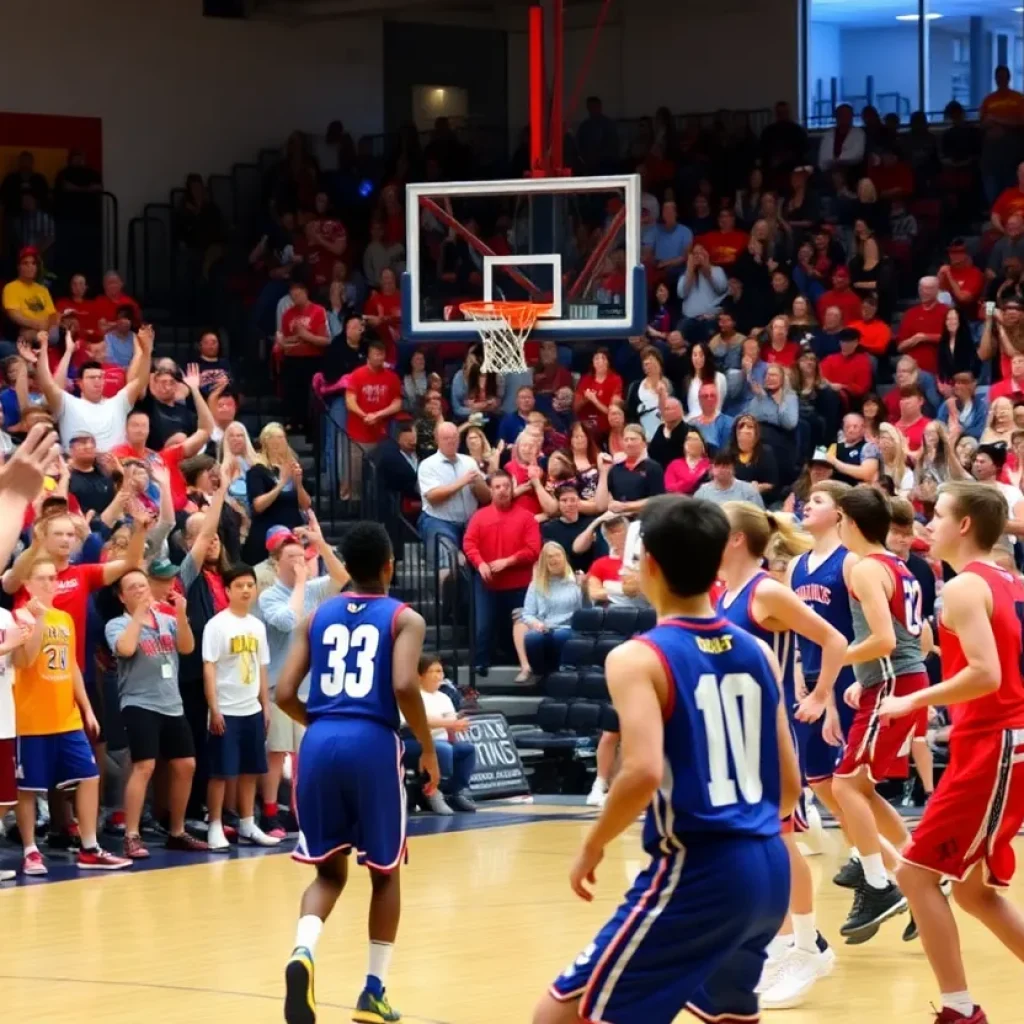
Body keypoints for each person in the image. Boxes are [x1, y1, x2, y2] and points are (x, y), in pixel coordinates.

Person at [534, 495, 800, 1024]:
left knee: (558, 1015)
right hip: (769, 868)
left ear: (648, 562)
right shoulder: (758, 651)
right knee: (727, 1017)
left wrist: (593, 842)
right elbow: (789, 786)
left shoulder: (638, 656)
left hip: (698, 870)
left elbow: (643, 770)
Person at [275, 521, 438, 1024]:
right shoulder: (404, 618)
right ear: (389, 565)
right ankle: (373, 991)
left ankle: (302, 952)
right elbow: (406, 685)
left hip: (319, 742)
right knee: (384, 874)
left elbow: (282, 694)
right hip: (372, 742)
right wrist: (428, 748)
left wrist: (322, 724)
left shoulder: (317, 616)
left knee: (329, 870)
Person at [881, 482, 1024, 1024]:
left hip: (995, 742)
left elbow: (986, 674)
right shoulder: (1011, 581)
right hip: (998, 741)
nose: (928, 524)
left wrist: (914, 698)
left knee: (915, 875)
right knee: (973, 894)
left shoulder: (965, 587)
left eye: (937, 515)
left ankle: (960, 1011)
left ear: (964, 525)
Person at [717, 502, 846, 1009]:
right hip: (735, 733)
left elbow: (833, 639)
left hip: (770, 733)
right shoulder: (721, 592)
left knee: (779, 842)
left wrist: (818, 696)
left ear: (735, 540)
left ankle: (807, 943)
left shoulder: (766, 590)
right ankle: (789, 942)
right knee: (754, 846)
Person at [832, 487, 928, 941]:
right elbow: (919, 639)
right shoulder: (899, 566)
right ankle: (917, 867)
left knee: (845, 785)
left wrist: (842, 660)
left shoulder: (868, 568)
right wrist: (864, 676)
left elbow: (886, 640)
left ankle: (877, 882)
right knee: (863, 790)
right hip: (898, 680)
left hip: (892, 683)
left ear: (850, 522)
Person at [12, 556, 132, 874]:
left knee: (89, 776)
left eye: (53, 578)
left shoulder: (64, 619)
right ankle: (30, 850)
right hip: (32, 720)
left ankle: (90, 846)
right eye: (42, 578)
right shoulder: (19, 617)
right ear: (27, 583)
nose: (50, 584)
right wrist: (37, 622)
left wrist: (87, 708)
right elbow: (25, 660)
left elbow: (73, 667)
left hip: (67, 718)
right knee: (28, 788)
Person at [105, 570, 209, 857]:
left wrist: (181, 613)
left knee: (186, 764)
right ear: (122, 596)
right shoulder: (118, 624)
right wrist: (138, 616)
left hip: (171, 702)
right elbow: (125, 649)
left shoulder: (166, 621)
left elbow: (187, 647)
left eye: (143, 585)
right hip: (139, 702)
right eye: (132, 587)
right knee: (145, 766)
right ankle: (132, 834)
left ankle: (177, 831)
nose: (140, 590)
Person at [257, 516, 348, 836]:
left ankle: (300, 808)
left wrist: (320, 543)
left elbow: (342, 576)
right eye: (291, 558)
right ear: (277, 563)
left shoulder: (314, 587)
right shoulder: (269, 595)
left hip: (312, 684)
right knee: (277, 750)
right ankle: (269, 811)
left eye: (301, 557)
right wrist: (297, 585)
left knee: (305, 751)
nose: (299, 562)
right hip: (280, 685)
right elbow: (287, 621)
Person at [201, 563, 279, 852]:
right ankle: (215, 825)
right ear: (227, 590)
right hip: (226, 709)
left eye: (250, 585)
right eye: (239, 586)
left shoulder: (257, 626)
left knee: (251, 768)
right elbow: (209, 668)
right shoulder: (217, 625)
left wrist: (265, 705)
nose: (246, 590)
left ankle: (247, 822)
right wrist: (215, 708)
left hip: (252, 709)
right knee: (221, 772)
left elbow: (262, 667)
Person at [463, 470, 541, 677]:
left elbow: (534, 549)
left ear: (512, 488)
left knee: (520, 627)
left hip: (519, 583)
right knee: (484, 625)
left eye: (506, 486)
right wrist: (480, 564)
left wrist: (508, 561)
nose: (502, 491)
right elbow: (469, 543)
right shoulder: (479, 517)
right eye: (497, 487)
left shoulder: (526, 518)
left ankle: (524, 663)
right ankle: (480, 664)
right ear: (490, 490)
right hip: (487, 582)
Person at [402, 654, 477, 815]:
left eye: (440, 671)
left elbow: (451, 720)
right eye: (433, 671)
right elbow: (419, 721)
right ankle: (433, 792)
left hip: (439, 740)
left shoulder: (444, 697)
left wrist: (457, 725)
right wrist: (450, 723)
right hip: (412, 742)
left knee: (466, 750)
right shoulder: (410, 696)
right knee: (443, 749)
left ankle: (454, 792)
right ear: (419, 675)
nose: (439, 676)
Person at [512, 541, 583, 681]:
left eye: (557, 555)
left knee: (561, 636)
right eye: (549, 557)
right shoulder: (536, 584)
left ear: (564, 557)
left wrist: (583, 588)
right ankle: (540, 672)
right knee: (533, 638)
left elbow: (584, 610)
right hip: (543, 626)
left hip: (567, 627)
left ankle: (560, 673)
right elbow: (528, 613)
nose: (554, 559)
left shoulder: (575, 582)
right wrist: (536, 624)